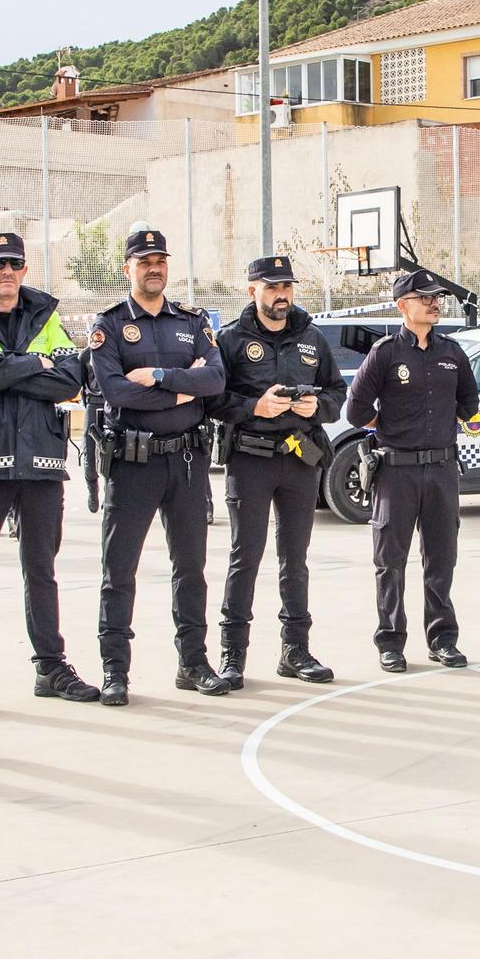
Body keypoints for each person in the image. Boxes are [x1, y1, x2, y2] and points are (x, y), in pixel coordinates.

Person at [0, 230, 98, 717]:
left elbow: (72, 377)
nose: (6, 273)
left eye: (15, 264)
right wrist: (37, 365)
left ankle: (50, 667)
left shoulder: (45, 315)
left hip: (41, 462)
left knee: (41, 572)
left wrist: (11, 368)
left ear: (25, 270)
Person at [86, 223, 227, 706]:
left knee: (191, 567)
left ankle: (193, 663)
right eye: (144, 261)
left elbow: (217, 380)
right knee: (118, 569)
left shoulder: (191, 321)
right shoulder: (107, 325)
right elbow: (116, 391)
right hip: (132, 462)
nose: (154, 268)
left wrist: (164, 377)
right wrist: (185, 388)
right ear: (128, 268)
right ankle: (115, 671)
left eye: (160, 260)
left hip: (187, 460)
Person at [211, 254, 347, 690]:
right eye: (272, 287)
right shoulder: (230, 340)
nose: (281, 295)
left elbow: (336, 392)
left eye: (286, 286)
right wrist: (254, 407)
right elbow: (211, 399)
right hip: (249, 460)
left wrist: (318, 407)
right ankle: (232, 655)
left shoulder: (311, 337)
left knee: (295, 559)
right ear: (252, 291)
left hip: (298, 460)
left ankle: (295, 650)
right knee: (244, 558)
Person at [343, 268, 478, 672]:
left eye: (436, 298)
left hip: (440, 469)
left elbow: (469, 407)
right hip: (395, 471)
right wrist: (388, 425)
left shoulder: (452, 353)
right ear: (403, 306)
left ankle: (442, 639)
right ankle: (391, 642)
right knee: (391, 561)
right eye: (425, 298)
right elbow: (355, 411)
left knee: (441, 558)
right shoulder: (385, 353)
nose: (434, 304)